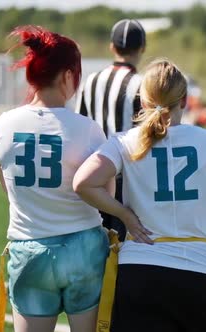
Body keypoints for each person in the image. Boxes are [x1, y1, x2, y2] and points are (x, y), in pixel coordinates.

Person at [73, 59, 206, 332]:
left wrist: (124, 215)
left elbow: (83, 183)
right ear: (185, 101)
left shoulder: (124, 141)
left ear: (142, 103)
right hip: (203, 274)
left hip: (140, 273)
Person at [0, 26, 109, 332]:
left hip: (29, 247)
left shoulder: (5, 123)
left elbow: (6, 183)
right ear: (68, 76)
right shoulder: (88, 129)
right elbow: (106, 193)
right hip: (83, 247)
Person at [75, 19, 146, 240]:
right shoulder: (142, 84)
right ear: (142, 48)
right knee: (123, 249)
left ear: (112, 47)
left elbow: (79, 125)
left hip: (93, 175)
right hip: (128, 180)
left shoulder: (91, 81)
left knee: (98, 249)